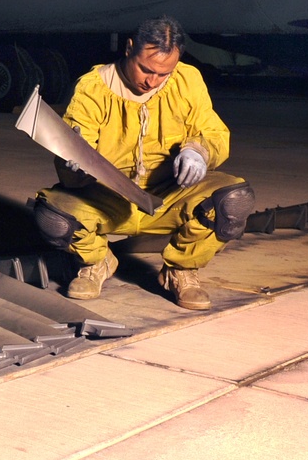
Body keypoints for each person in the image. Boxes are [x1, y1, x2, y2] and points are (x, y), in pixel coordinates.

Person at [31, 16, 254, 310]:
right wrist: (75, 164)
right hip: (107, 198)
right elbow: (73, 145)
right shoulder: (92, 87)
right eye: (146, 69)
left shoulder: (188, 81)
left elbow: (213, 132)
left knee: (234, 199)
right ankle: (97, 261)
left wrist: (198, 152)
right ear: (129, 48)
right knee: (52, 215)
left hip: (169, 196)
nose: (152, 81)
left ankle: (182, 270)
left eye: (164, 73)